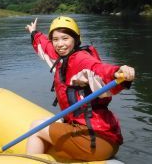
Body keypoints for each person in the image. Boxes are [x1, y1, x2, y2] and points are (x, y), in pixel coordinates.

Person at [25, 16, 135, 161]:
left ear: (76, 39)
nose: (60, 44)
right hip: (96, 134)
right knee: (48, 123)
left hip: (95, 140)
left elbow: (98, 70)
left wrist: (118, 72)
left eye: (65, 38)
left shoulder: (80, 60)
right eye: (55, 39)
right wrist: (34, 33)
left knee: (36, 127)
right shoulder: (60, 57)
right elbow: (44, 46)